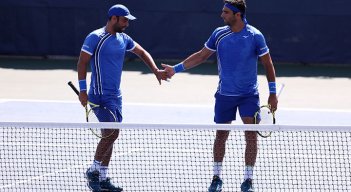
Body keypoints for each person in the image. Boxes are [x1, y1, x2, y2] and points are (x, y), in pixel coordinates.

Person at [161, 0, 278, 191]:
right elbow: (201, 55)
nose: (221, 15)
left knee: (251, 136)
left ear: (237, 15)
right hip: (225, 95)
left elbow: (268, 64)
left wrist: (272, 93)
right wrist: (175, 69)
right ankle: (216, 178)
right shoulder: (219, 34)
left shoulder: (255, 36)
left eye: (225, 12)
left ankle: (248, 180)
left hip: (249, 95)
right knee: (221, 135)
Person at [77, 4, 167, 192]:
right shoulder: (95, 37)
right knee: (112, 133)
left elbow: (142, 52)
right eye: (125, 20)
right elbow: (82, 62)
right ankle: (93, 170)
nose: (127, 23)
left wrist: (156, 71)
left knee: (109, 136)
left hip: (115, 97)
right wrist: (83, 90)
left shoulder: (124, 39)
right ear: (114, 18)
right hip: (98, 96)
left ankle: (102, 178)